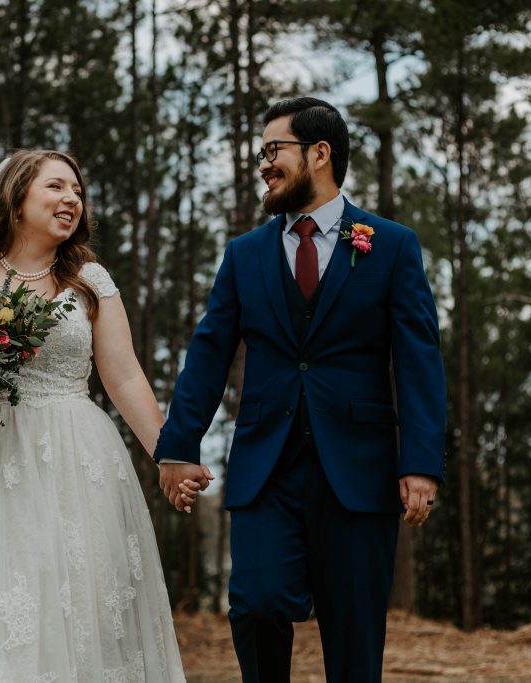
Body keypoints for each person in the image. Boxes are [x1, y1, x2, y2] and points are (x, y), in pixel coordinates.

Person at [0, 149, 203, 682]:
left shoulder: (89, 279)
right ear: (16, 197)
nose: (71, 199)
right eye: (56, 187)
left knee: (76, 603)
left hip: (74, 461)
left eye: (77, 191)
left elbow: (124, 377)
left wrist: (170, 454)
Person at [153, 97, 447, 682]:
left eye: (274, 150)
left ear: (320, 154)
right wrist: (178, 445)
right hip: (266, 468)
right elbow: (208, 355)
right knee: (256, 604)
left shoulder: (391, 245)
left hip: (359, 471)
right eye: (261, 152)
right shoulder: (244, 255)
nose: (263, 163)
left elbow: (419, 361)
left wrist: (420, 464)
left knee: (355, 635)